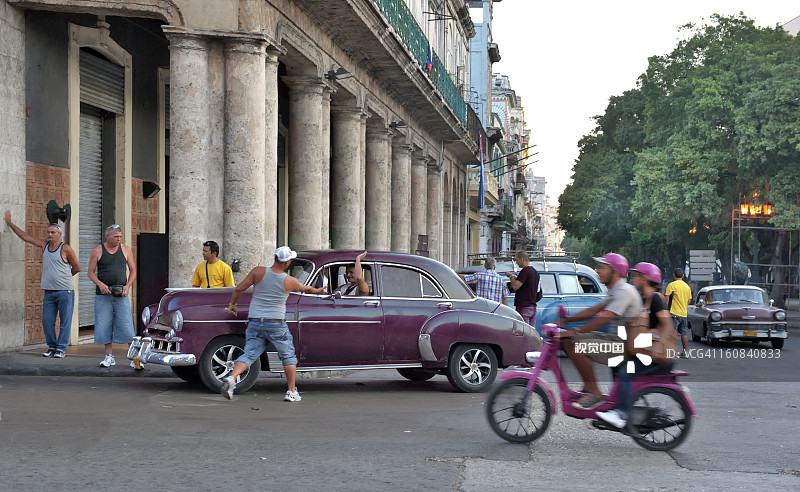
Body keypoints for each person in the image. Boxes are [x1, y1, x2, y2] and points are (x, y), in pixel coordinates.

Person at [221, 246, 326, 402]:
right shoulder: (289, 281)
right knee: (288, 355)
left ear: (275, 258)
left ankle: (232, 378)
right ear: (286, 263)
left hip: (255, 321)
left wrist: (233, 304)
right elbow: (305, 289)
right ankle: (291, 392)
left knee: (249, 354)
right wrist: (317, 291)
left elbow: (240, 288)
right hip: (276, 323)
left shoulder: (258, 272)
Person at [554, 253, 642, 410]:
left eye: (602, 267)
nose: (597, 271)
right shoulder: (616, 290)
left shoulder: (624, 291)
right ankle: (589, 387)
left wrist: (575, 331)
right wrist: (565, 321)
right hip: (614, 339)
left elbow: (604, 318)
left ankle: (595, 392)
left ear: (614, 272)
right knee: (568, 342)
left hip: (623, 347)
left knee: (577, 345)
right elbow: (593, 310)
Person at [596, 262, 676, 428]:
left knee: (626, 373)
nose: (633, 279)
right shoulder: (642, 299)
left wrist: (656, 343)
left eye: (636, 276)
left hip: (659, 357)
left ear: (645, 279)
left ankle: (622, 413)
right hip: (645, 353)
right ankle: (617, 404)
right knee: (616, 364)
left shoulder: (655, 299)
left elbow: (667, 325)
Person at [4, 211, 80, 358]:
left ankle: (61, 349)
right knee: (47, 321)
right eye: (48, 232)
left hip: (65, 291)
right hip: (49, 292)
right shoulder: (44, 245)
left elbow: (77, 267)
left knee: (65, 321)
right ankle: (52, 347)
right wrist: (10, 222)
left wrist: (64, 279)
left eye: (52, 232)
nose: (49, 235)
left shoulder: (66, 248)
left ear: (59, 234)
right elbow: (26, 237)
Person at [87, 224, 137, 367]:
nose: (118, 239)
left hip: (121, 293)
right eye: (115, 237)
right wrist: (100, 285)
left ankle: (134, 357)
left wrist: (128, 286)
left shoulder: (126, 249)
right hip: (103, 295)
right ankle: (109, 356)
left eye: (120, 237)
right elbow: (90, 272)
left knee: (127, 325)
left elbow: (133, 270)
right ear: (107, 236)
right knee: (104, 325)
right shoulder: (97, 251)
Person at [506, 251, 542, 324]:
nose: (516, 262)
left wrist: (511, 276)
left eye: (517, 260)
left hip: (524, 307)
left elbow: (515, 286)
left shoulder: (525, 271)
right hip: (533, 307)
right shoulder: (535, 272)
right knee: (530, 331)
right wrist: (516, 277)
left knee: (523, 330)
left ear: (521, 259)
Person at [666, 268, 691, 358]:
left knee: (673, 333)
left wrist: (666, 309)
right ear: (683, 276)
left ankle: (672, 352)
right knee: (684, 334)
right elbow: (688, 300)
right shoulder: (687, 287)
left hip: (674, 313)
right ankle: (685, 352)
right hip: (684, 314)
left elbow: (667, 298)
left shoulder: (671, 285)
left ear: (674, 275)